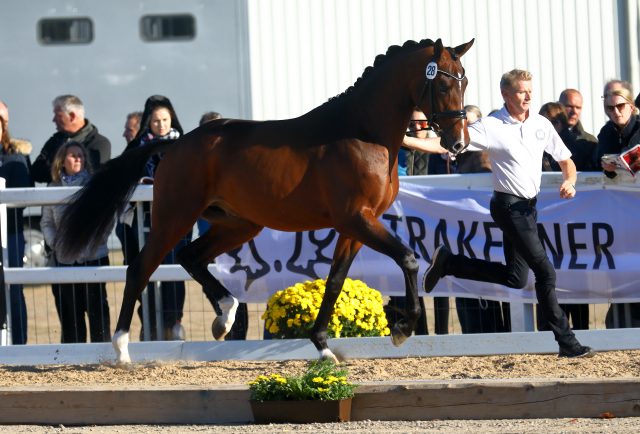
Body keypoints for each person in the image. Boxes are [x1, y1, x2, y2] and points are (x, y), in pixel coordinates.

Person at [411, 69, 595, 358]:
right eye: (521, 91)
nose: (528, 95)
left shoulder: (540, 123)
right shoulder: (490, 126)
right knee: (545, 271)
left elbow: (566, 161)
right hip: (508, 207)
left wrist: (569, 181)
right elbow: (441, 144)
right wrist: (406, 140)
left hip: (528, 208)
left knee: (515, 278)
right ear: (506, 95)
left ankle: (448, 263)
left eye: (530, 90)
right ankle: (567, 342)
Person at [120, 95, 188, 341]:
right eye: (156, 120)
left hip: (178, 217)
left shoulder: (186, 145)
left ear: (172, 119)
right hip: (144, 219)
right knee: (146, 270)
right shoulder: (136, 147)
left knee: (173, 270)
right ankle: (149, 324)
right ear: (148, 122)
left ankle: (174, 323)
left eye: (165, 119)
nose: (161, 124)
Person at [40, 141, 111, 343]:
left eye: (80, 155)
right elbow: (46, 222)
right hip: (65, 259)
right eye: (73, 155)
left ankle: (102, 352)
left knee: (97, 308)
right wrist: (57, 244)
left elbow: (107, 218)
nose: (78, 159)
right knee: (71, 311)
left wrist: (95, 242)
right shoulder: (52, 188)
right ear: (62, 161)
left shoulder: (96, 184)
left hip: (93, 257)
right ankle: (73, 354)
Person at [387, 109, 449, 335]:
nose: (416, 127)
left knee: (439, 277)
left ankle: (442, 333)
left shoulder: (440, 148)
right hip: (402, 223)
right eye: (411, 122)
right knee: (408, 275)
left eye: (421, 122)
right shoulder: (395, 150)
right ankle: (417, 332)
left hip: (432, 224)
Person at [454, 106, 511, 334]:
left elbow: (485, 180)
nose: (465, 127)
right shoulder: (464, 151)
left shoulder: (479, 151)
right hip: (471, 227)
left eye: (470, 122)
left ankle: (492, 333)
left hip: (481, 226)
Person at [196, 110, 248, 341]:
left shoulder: (237, 167)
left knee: (242, 294)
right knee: (219, 292)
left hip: (237, 252)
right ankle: (232, 338)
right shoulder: (194, 171)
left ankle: (235, 341)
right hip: (214, 249)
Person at [595, 87, 640, 329]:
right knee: (621, 271)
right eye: (610, 107)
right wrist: (607, 168)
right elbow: (597, 161)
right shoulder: (605, 132)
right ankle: (621, 325)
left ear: (631, 106)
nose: (615, 111)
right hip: (619, 216)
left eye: (620, 106)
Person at [0, 114, 31, 344]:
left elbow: (22, 195)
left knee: (13, 288)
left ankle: (19, 344)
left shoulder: (15, 157)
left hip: (9, 233)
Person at [31, 95, 111, 184]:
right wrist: (69, 168)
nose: (54, 120)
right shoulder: (55, 141)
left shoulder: (100, 144)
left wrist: (56, 166)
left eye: (58, 115)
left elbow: (95, 174)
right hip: (55, 197)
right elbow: (36, 172)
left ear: (72, 116)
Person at [539, 103, 596, 172]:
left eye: (554, 122)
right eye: (544, 122)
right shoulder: (533, 149)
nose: (548, 126)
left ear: (562, 123)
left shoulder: (577, 152)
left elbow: (589, 179)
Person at [558, 89, 598, 162]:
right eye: (569, 106)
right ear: (559, 106)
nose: (574, 112)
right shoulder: (545, 137)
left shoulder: (590, 142)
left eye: (578, 108)